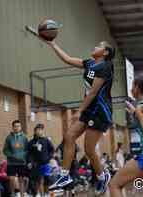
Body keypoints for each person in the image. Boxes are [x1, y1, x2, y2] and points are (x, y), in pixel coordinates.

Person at [42, 38, 115, 195]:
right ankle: (65, 176)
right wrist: (52, 44)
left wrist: (79, 110)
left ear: (106, 52)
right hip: (89, 109)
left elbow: (94, 92)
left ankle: (103, 176)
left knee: (89, 149)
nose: (95, 46)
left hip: (100, 111)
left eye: (99, 46)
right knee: (69, 137)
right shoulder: (89, 63)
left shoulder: (106, 67)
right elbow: (67, 59)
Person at [27, 124, 54, 197]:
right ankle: (41, 194)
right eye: (37, 130)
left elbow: (52, 150)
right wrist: (30, 161)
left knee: (47, 179)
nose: (39, 131)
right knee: (40, 180)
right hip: (37, 164)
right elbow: (29, 153)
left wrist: (50, 158)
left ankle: (47, 193)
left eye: (40, 130)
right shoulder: (31, 142)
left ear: (42, 131)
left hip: (46, 163)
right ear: (35, 131)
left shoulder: (46, 140)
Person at [3, 120, 28, 197]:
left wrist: (22, 156)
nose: (17, 128)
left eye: (18, 126)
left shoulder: (24, 137)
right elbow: (5, 150)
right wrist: (12, 155)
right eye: (15, 126)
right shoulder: (9, 138)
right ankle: (13, 194)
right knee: (11, 179)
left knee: (21, 180)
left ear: (20, 127)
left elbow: (27, 150)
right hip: (11, 162)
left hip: (21, 162)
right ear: (13, 127)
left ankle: (22, 195)